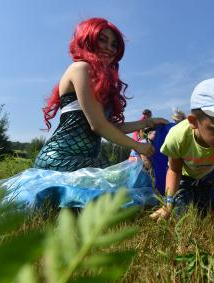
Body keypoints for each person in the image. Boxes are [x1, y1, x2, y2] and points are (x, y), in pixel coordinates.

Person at [34, 18, 166, 172]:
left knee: (124, 182)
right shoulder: (80, 68)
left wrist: (147, 123)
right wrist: (137, 146)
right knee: (125, 181)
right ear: (87, 40)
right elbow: (98, 126)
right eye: (103, 40)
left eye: (114, 45)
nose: (109, 48)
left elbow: (110, 127)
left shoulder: (97, 79)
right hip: (59, 159)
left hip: (84, 161)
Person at [150, 77, 214, 236]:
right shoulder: (178, 136)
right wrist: (168, 204)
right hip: (185, 177)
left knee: (211, 209)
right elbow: (174, 171)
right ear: (193, 122)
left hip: (210, 175)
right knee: (182, 216)